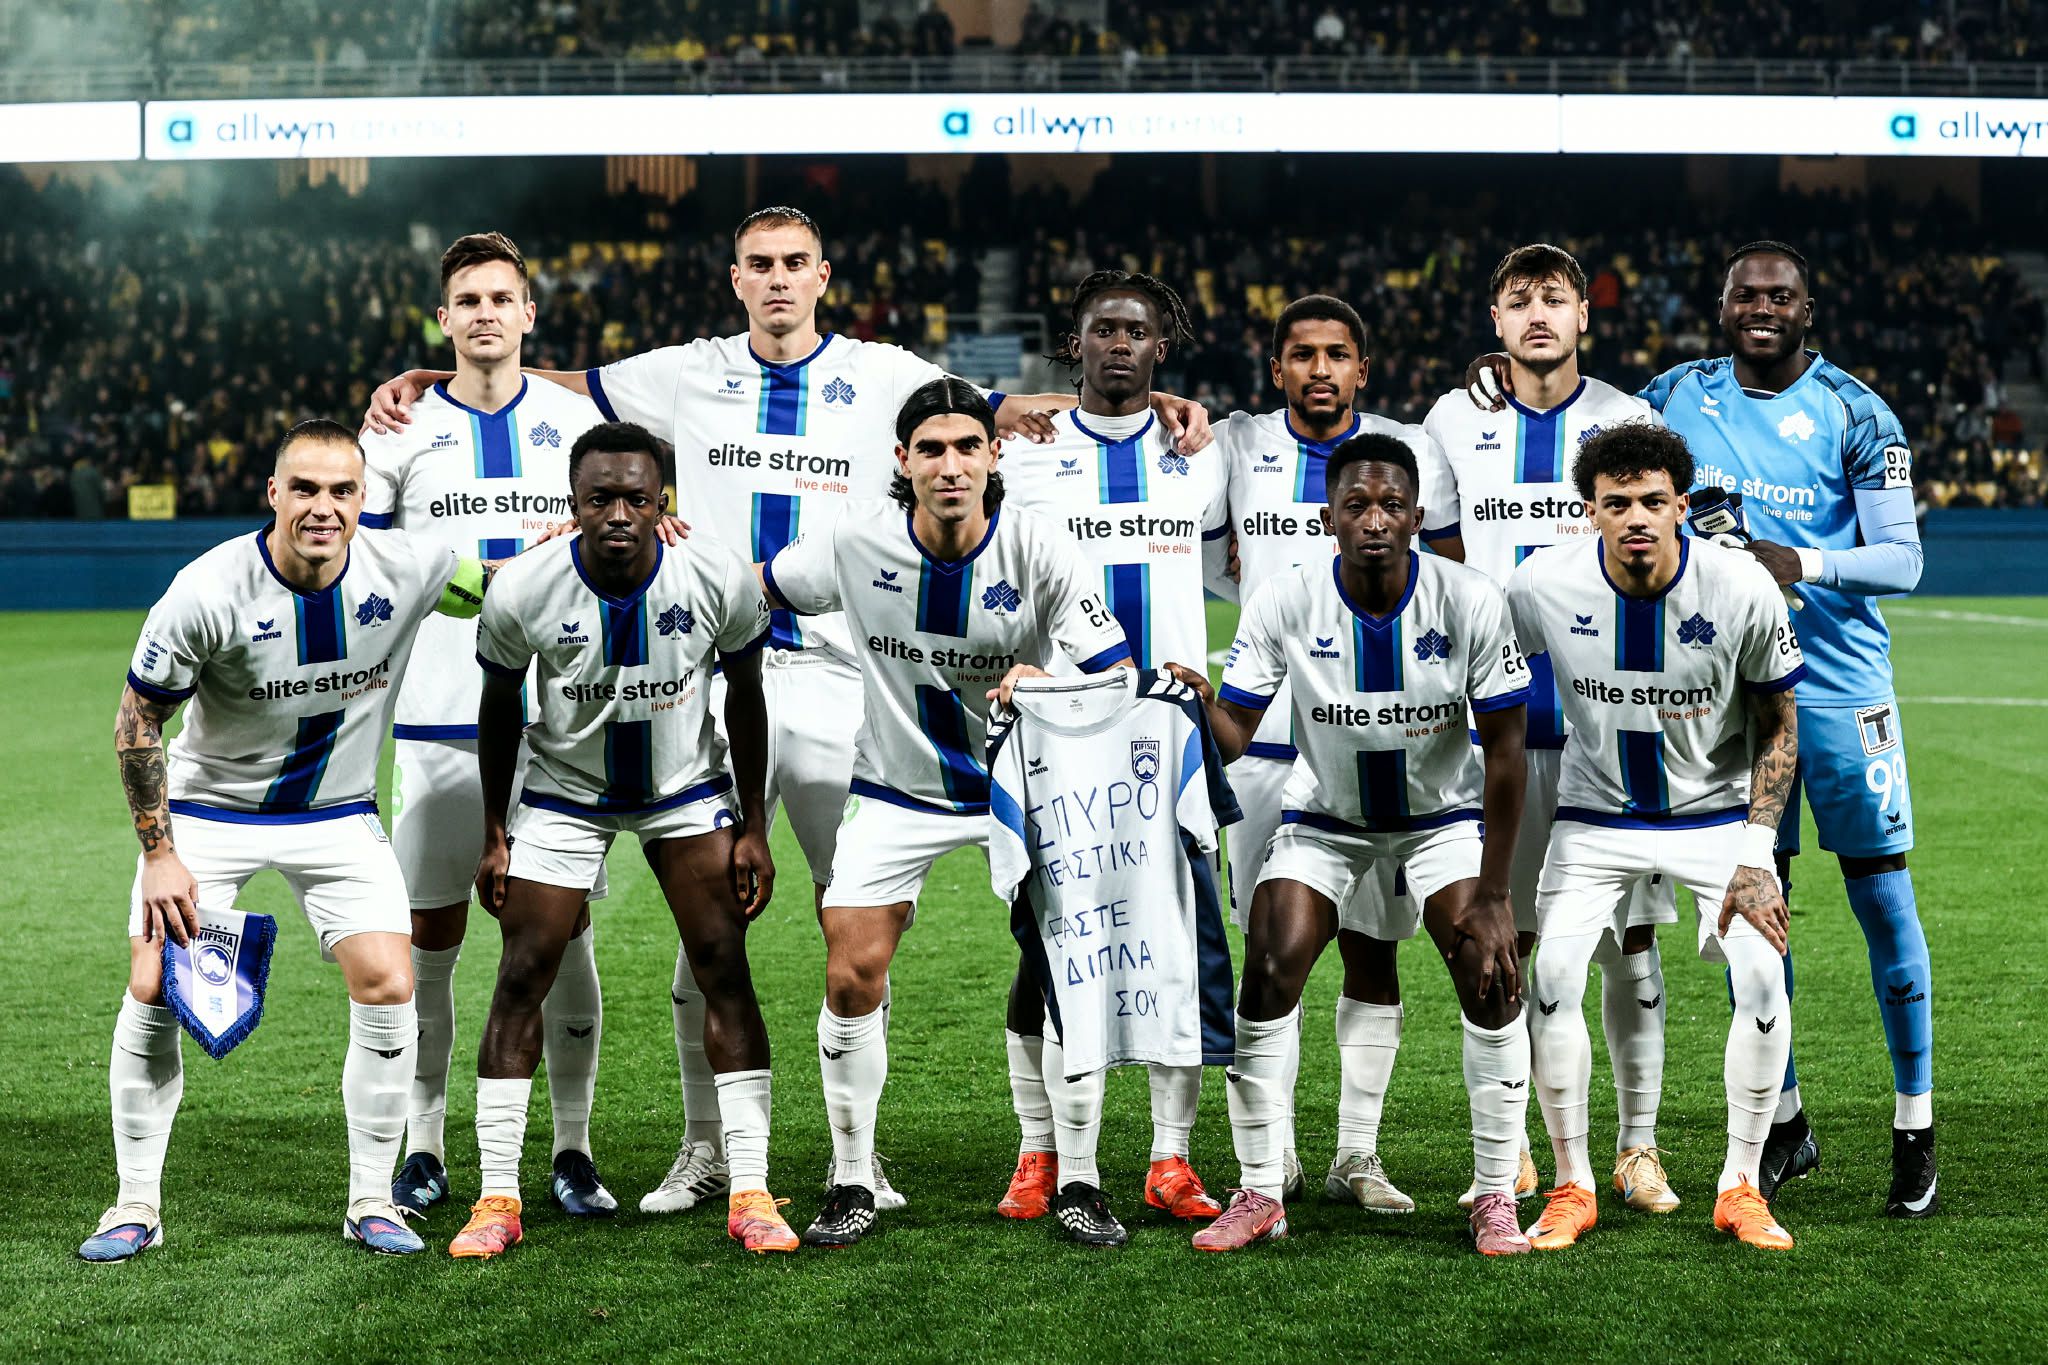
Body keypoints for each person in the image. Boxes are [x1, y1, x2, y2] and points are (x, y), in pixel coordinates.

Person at [365, 206, 1209, 1215]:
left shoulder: (880, 371)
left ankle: (861, 1160)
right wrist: (437, 377)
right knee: (709, 927)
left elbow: (999, 411)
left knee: (847, 925)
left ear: (821, 276)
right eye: (758, 264)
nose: (776, 278)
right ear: (736, 279)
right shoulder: (685, 370)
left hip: (837, 683)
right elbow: (559, 383)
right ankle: (705, 1149)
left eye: (793, 263)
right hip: (713, 676)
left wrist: (1148, 396)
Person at [82, 420, 483, 1262]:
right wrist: (160, 855)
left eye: (341, 490)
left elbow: (495, 586)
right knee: (152, 984)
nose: (323, 507)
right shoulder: (207, 589)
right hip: (210, 812)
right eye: (304, 488)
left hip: (335, 813)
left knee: (390, 980)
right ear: (273, 493)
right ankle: (135, 1203)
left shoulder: (409, 565)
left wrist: (580, 544)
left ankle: (371, 1198)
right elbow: (137, 721)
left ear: (364, 499)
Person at [760, 377, 1132, 1246]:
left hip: (1024, 786)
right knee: (851, 969)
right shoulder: (854, 539)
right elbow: (758, 588)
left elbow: (1114, 672)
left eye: (968, 446)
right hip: (898, 789)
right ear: (904, 460)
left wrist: (1051, 678)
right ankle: (852, 1177)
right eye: (932, 449)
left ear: (995, 455)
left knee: (1068, 966)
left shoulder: (1038, 545)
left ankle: (1079, 1177)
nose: (952, 465)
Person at [1181, 431, 1535, 1256]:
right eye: (1357, 505)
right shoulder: (1286, 599)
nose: (1375, 519)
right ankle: (1260, 1189)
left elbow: (1507, 750)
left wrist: (1494, 892)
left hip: (1439, 820)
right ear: (1328, 518)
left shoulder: (1470, 598)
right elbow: (1235, 730)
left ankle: (1493, 1193)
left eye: (1391, 505)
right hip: (1326, 821)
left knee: (1491, 975)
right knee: (1270, 963)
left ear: (1416, 515)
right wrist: (1197, 706)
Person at [448, 421, 796, 1258]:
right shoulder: (524, 587)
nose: (617, 514)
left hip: (685, 788)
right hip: (565, 793)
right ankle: (497, 1197)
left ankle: (749, 1188)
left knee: (722, 962)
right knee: (522, 970)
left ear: (661, 500)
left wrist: (753, 822)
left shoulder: (714, 572)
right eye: (599, 497)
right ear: (572, 503)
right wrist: (494, 831)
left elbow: (747, 693)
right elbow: (498, 708)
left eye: (636, 498)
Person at [1637, 242, 1934, 1217]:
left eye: (1780, 295)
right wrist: (1501, 371)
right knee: (1753, 907)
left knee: (1881, 898)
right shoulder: (1672, 397)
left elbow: (1902, 561)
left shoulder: (1857, 412)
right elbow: (1587, 439)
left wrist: (1797, 561)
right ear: (1722, 306)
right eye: (1745, 294)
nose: (1761, 307)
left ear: (1808, 309)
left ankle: (1914, 1125)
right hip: (1730, 698)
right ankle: (1784, 1122)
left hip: (1841, 692)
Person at [361, 231, 615, 1221]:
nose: (484, 314)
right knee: (431, 935)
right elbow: (368, 566)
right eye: (466, 300)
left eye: (501, 298)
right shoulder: (399, 429)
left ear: (528, 314)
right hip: (436, 718)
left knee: (562, 929)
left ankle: (573, 1149)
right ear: (443, 319)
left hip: (560, 724)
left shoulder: (575, 420)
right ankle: (424, 1146)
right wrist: (476, 581)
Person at [1506, 423, 1804, 1252]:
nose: (1635, 517)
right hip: (1594, 817)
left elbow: (1782, 726)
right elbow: (1483, 673)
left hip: (1715, 819)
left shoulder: (1741, 587)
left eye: (1651, 500)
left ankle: (1740, 1186)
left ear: (1681, 503)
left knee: (1762, 979)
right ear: (1589, 510)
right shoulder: (1543, 583)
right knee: (1552, 977)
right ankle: (1572, 1184)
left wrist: (1757, 853)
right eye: (1616, 503)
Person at [1428, 244, 1680, 1214]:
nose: (1538, 314)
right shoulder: (1451, 419)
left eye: (1555, 298)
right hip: (1493, 732)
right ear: (1494, 320)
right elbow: (1444, 562)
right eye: (1518, 300)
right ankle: (1521, 1151)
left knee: (1629, 943)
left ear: (1584, 315)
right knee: (1510, 940)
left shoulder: (1628, 418)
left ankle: (1637, 1148)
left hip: (1609, 726)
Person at [1207, 293, 1463, 1215]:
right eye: (1303, 354)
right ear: (1276, 366)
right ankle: (1271, 1156)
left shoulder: (1410, 446)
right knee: (1269, 951)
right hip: (1263, 743)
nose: (1320, 369)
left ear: (1363, 366)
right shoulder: (1234, 442)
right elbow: (1209, 554)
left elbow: (1447, 567)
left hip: (1376, 744)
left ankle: (1357, 1152)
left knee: (1372, 947)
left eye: (1337, 354)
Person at [993, 268, 1229, 1225]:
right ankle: (1038, 1148)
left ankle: (1171, 1157)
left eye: (1137, 331)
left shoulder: (1204, 451)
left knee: (1179, 937)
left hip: (1170, 724)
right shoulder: (1023, 452)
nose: (1120, 343)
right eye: (1103, 329)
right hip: (1060, 730)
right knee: (1043, 944)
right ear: (1075, 344)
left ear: (1161, 349)